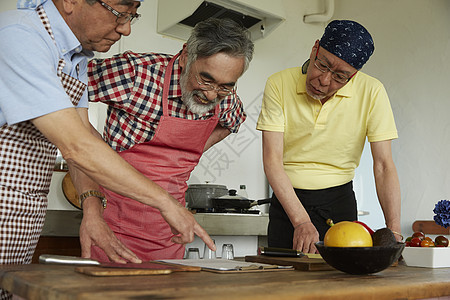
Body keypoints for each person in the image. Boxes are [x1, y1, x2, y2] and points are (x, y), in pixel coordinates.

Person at [0, 1, 216, 298]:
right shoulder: (19, 35)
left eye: (132, 17)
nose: (125, 28)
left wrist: (92, 209)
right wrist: (166, 203)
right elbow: (76, 145)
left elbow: (82, 130)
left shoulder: (76, 59)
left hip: (22, 211)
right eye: (119, 14)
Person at [83, 17, 254, 262]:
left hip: (170, 237)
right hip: (112, 229)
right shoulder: (136, 74)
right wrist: (87, 143)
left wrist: (193, 153)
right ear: (186, 55)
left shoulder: (223, 94)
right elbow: (64, 93)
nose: (211, 94)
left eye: (225, 86)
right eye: (205, 79)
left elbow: (235, 119)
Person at [256, 20, 401, 254]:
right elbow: (272, 160)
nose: (323, 80)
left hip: (339, 203)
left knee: (340, 284)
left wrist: (393, 233)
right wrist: (301, 221)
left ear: (352, 77)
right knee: (285, 283)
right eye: (322, 65)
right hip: (288, 203)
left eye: (339, 77)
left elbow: (384, 165)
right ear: (314, 49)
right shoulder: (278, 84)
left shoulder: (373, 92)